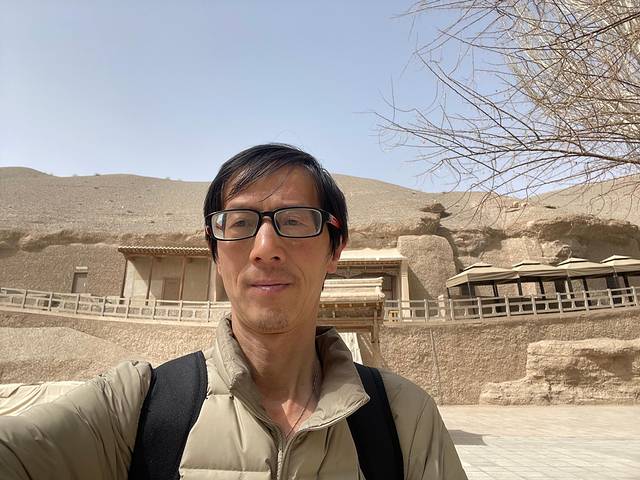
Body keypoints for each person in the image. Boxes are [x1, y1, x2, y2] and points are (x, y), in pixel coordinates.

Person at [0, 144, 467, 479]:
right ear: (215, 252)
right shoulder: (135, 406)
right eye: (240, 223)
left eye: (295, 221)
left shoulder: (404, 419)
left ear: (335, 248)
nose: (265, 247)